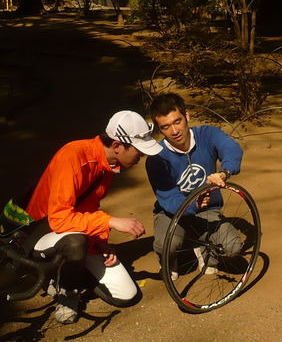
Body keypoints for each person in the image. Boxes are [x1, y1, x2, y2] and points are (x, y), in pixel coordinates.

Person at [5, 110, 163, 324]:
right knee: (75, 243)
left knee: (127, 295)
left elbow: (87, 210)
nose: (141, 156)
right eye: (138, 150)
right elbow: (59, 219)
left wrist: (99, 243)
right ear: (117, 146)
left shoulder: (110, 166)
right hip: (39, 234)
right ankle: (66, 290)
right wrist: (110, 221)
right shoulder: (73, 154)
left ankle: (69, 271)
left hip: (69, 232)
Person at [145, 93, 243, 279]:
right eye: (165, 127)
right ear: (159, 129)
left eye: (177, 121)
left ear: (187, 116)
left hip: (209, 210)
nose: (174, 131)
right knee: (166, 245)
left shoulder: (208, 134)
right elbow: (169, 199)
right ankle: (169, 258)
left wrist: (225, 172)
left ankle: (206, 252)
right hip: (172, 213)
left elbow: (232, 148)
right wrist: (194, 204)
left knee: (232, 248)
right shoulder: (156, 158)